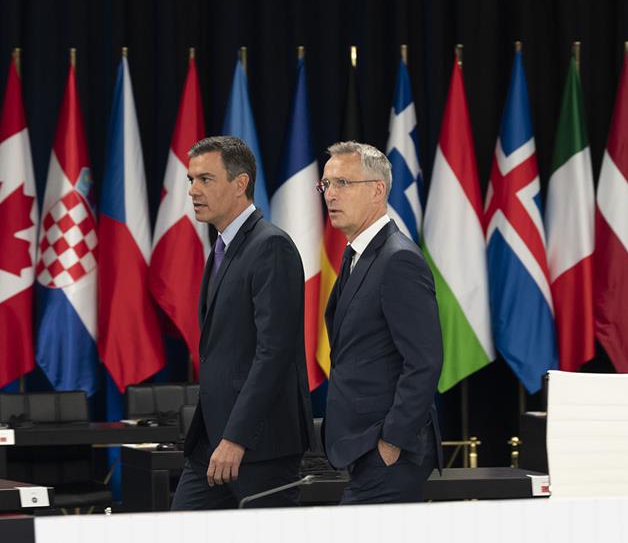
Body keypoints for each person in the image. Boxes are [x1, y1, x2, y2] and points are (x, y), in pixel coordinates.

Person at [170, 135, 313, 510]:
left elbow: (273, 353)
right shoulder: (222, 249)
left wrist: (236, 437)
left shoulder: (270, 247)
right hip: (211, 442)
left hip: (257, 445)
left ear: (240, 184)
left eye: (205, 179)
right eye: (191, 180)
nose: (193, 191)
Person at [320, 140, 443, 504]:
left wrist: (391, 441)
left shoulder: (398, 260)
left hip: (389, 454)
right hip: (360, 447)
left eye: (343, 183)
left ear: (378, 190)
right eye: (326, 184)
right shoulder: (358, 255)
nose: (330, 194)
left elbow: (424, 361)